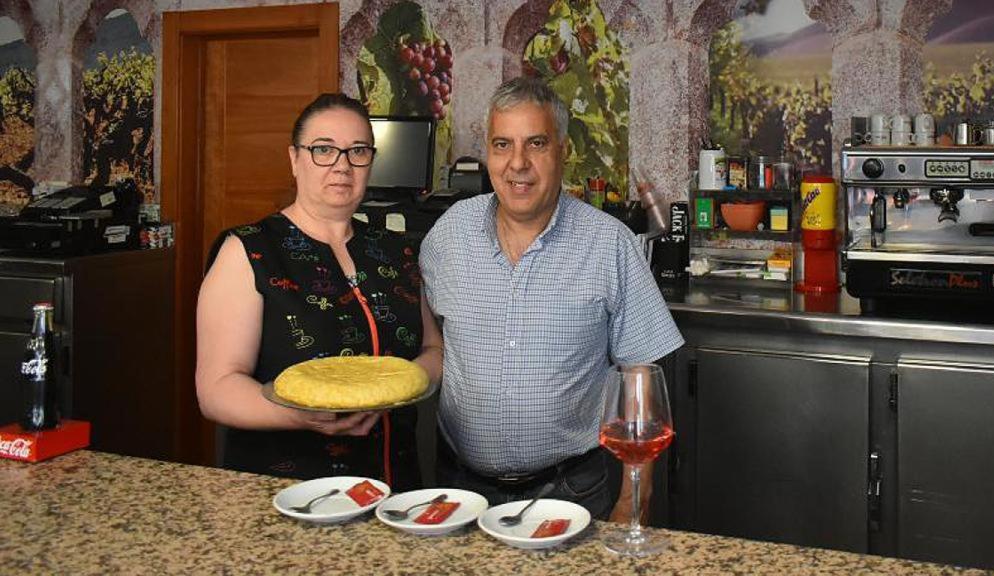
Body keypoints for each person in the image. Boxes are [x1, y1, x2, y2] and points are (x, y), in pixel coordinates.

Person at [418, 77, 684, 521]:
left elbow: (641, 380)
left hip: (573, 494)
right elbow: (433, 347)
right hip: (460, 492)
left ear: (563, 151)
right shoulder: (448, 234)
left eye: (535, 144)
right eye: (502, 145)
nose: (517, 163)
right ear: (487, 152)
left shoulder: (608, 243)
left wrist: (633, 499)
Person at [195, 93, 442, 489]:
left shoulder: (397, 251)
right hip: (284, 492)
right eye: (323, 150)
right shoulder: (250, 250)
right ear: (295, 159)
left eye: (357, 151)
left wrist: (399, 385)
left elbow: (433, 350)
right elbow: (216, 389)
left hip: (394, 491)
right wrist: (301, 415)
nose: (342, 166)